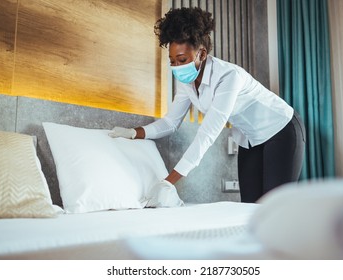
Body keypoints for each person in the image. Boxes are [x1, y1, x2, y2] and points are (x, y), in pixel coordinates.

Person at [109, 7, 305, 204]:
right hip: (250, 138)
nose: (176, 67)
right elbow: (170, 122)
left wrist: (168, 182)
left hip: (281, 129)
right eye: (172, 61)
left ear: (201, 54)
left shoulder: (229, 77)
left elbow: (207, 134)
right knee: (249, 207)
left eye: (182, 60)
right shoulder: (186, 82)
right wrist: (134, 133)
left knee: (275, 206)